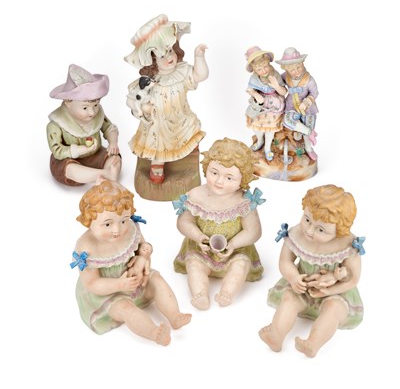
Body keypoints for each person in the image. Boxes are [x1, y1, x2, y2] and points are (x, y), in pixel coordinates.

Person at [71, 180, 191, 345]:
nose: (117, 230)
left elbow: (144, 247)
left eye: (123, 220)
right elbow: (92, 284)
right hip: (107, 294)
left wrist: (143, 258)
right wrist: (119, 285)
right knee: (126, 309)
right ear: (89, 221)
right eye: (107, 224)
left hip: (136, 280)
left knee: (157, 280)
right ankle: (154, 332)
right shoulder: (87, 248)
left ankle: (175, 315)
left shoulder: (130, 228)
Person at [260, 184, 365, 357]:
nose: (309, 231)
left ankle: (313, 343)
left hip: (335, 293)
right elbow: (285, 261)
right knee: (289, 298)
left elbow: (353, 278)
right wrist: (294, 278)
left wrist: (332, 283)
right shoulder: (297, 234)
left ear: (339, 231)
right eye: (307, 220)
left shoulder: (348, 245)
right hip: (302, 288)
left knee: (333, 308)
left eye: (321, 229)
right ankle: (276, 335)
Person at [173, 138, 265, 310]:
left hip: (235, 251)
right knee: (194, 264)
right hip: (202, 249)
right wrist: (198, 236)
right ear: (206, 167)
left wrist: (233, 244)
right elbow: (183, 222)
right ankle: (200, 294)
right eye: (214, 173)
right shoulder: (196, 195)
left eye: (229, 177)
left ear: (243, 179)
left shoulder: (244, 201)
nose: (219, 181)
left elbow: (253, 231)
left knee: (240, 266)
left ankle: (227, 293)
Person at [124, 14, 208, 184]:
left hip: (180, 118)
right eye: (162, 56)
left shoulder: (182, 72)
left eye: (170, 51)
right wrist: (144, 108)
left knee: (188, 129)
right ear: (152, 61)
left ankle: (187, 149)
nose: (169, 57)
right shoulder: (148, 82)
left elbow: (201, 75)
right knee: (157, 142)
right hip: (159, 123)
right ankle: (158, 162)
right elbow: (134, 100)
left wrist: (199, 57)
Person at [46, 64, 121, 186]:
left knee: (115, 158)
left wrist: (113, 142)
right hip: (70, 160)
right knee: (70, 169)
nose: (92, 112)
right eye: (85, 108)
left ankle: (99, 175)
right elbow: (57, 150)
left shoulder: (97, 115)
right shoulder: (56, 124)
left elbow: (109, 127)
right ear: (68, 102)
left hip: (95, 155)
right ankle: (107, 175)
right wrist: (79, 150)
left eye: (95, 105)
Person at [276, 47, 319, 160]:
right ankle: (309, 132)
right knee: (287, 120)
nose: (296, 71)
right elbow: (279, 83)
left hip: (307, 109)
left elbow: (315, 93)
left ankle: (309, 148)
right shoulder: (285, 76)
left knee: (308, 124)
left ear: (302, 63)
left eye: (298, 67)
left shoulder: (309, 80)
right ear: (286, 69)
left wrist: (307, 102)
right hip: (292, 106)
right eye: (292, 70)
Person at [245, 46, 286, 161]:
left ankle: (267, 148)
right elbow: (249, 89)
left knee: (269, 130)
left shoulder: (275, 74)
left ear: (268, 63)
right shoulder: (254, 78)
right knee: (256, 127)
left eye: (265, 67)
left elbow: (284, 92)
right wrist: (255, 94)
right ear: (254, 70)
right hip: (260, 106)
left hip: (274, 106)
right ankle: (260, 140)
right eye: (259, 69)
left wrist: (276, 86)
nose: (264, 71)